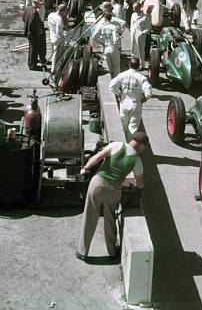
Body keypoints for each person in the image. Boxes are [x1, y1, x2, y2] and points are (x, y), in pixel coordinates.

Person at [76, 132, 149, 261]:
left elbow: (97, 157)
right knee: (110, 219)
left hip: (97, 184)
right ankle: (111, 252)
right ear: (142, 146)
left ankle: (82, 252)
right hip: (114, 190)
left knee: (89, 216)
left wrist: (85, 168)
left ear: (132, 140)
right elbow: (140, 184)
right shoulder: (137, 160)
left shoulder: (116, 145)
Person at [110, 58, 152, 138]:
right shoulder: (142, 78)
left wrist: (119, 94)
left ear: (129, 65)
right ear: (138, 66)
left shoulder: (122, 75)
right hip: (136, 104)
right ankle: (129, 145)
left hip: (124, 102)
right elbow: (149, 90)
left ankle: (123, 142)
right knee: (133, 128)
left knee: (123, 125)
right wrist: (145, 98)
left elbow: (112, 86)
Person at [92, 12, 121, 77]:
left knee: (109, 68)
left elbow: (94, 38)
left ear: (105, 18)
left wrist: (101, 42)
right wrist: (118, 47)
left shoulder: (102, 27)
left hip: (105, 48)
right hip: (113, 48)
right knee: (116, 67)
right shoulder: (113, 27)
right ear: (111, 19)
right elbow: (115, 39)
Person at [23, 0, 47, 70]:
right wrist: (40, 31)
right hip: (35, 33)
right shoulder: (35, 13)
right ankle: (33, 66)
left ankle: (31, 62)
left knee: (32, 48)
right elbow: (35, 25)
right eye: (40, 4)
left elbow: (23, 18)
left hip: (30, 32)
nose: (41, 5)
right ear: (36, 3)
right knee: (34, 50)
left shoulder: (28, 8)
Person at [48, 4, 68, 71]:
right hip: (58, 38)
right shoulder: (59, 19)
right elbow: (58, 31)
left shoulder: (51, 15)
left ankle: (53, 68)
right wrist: (64, 36)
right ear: (62, 11)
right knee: (58, 54)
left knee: (53, 53)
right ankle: (55, 69)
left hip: (51, 36)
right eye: (65, 12)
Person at [130, 2, 150, 68]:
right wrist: (131, 31)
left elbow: (149, 28)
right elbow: (131, 24)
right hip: (133, 33)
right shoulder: (133, 15)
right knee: (133, 49)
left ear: (139, 8)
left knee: (140, 50)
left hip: (140, 34)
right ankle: (132, 63)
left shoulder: (145, 17)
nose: (133, 9)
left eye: (135, 8)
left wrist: (143, 33)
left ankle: (142, 64)